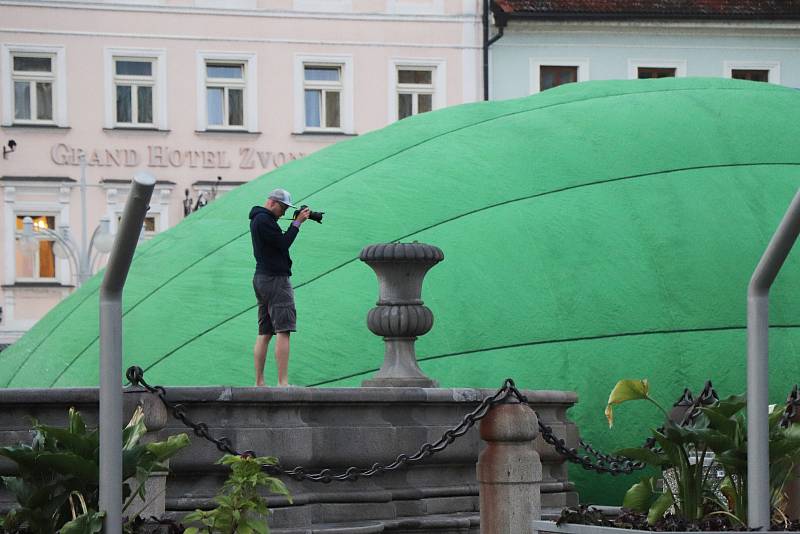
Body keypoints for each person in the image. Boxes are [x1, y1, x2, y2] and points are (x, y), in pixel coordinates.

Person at [249, 188, 310, 386]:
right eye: (283, 208)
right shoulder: (265, 220)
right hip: (275, 279)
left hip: (261, 278)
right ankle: (283, 382)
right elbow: (283, 244)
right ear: (273, 203)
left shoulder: (258, 219)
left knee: (265, 332)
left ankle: (259, 382)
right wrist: (297, 223)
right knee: (284, 329)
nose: (284, 212)